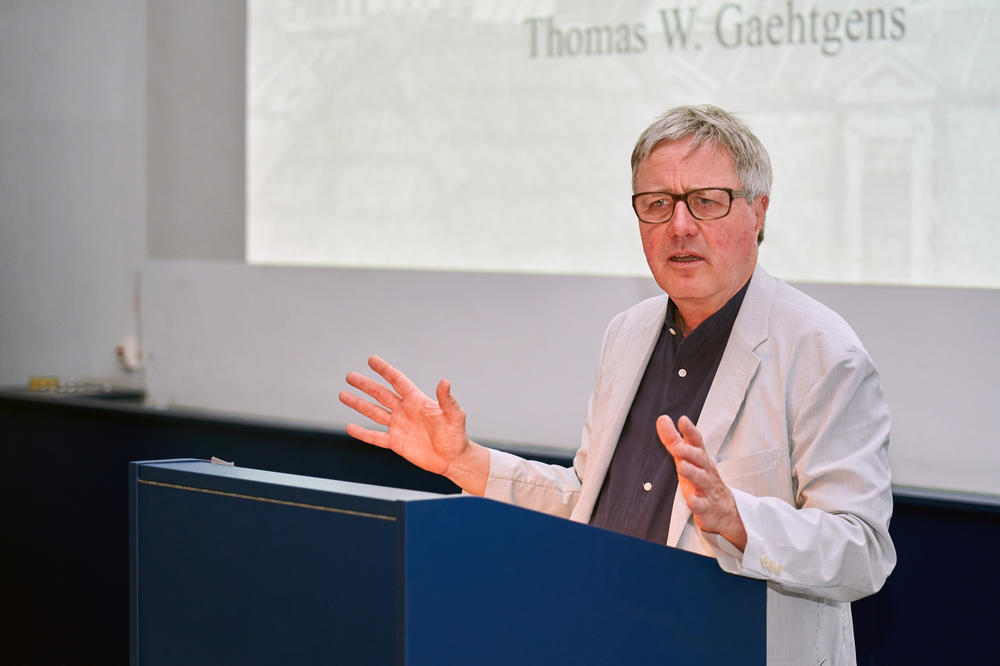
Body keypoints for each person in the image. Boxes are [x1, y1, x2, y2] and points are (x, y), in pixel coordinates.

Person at [339, 104, 895, 665]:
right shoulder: (627, 333)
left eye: (706, 201)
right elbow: (588, 500)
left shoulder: (824, 353)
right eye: (657, 204)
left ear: (759, 212)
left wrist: (739, 521)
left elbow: (864, 552)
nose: (680, 226)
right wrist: (464, 461)